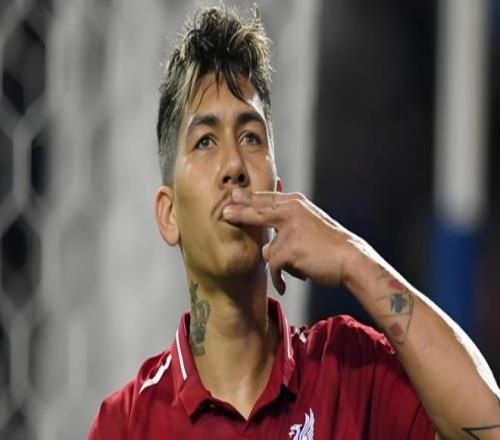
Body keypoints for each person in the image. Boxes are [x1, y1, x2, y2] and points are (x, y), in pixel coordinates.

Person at [89, 5, 500, 439]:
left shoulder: (350, 371)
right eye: (205, 141)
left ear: (279, 193)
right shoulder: (128, 423)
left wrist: (354, 260)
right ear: (169, 215)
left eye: (250, 137)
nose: (234, 166)